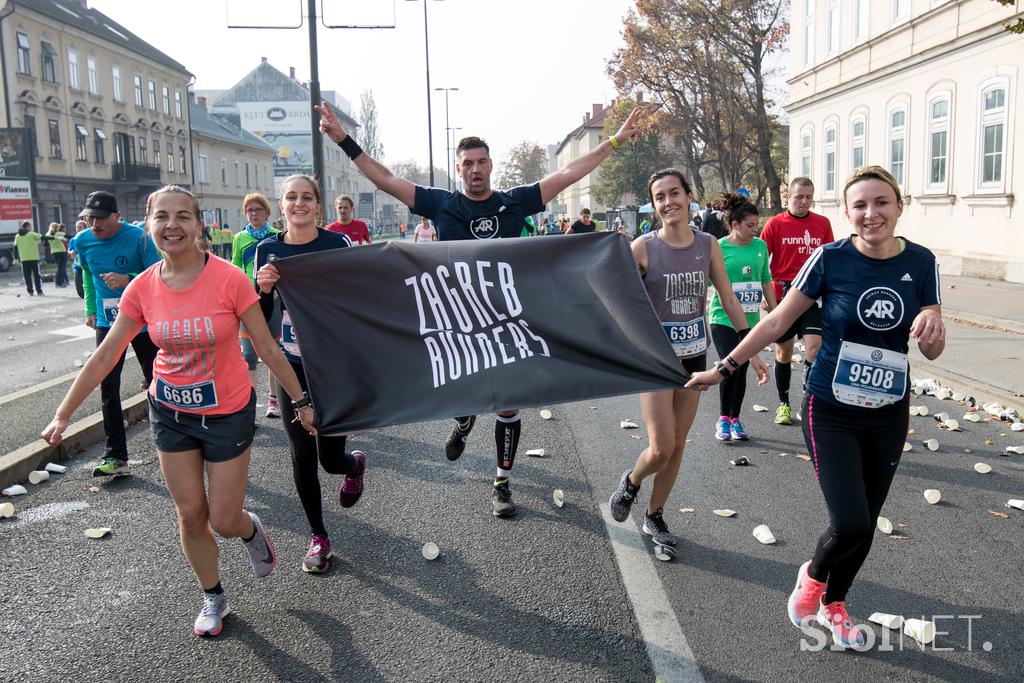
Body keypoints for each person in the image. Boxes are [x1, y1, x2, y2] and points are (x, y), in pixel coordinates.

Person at [317, 99, 642, 517]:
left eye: (482, 162)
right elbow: (387, 180)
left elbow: (565, 175)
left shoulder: (514, 202)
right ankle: (465, 420)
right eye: (468, 162)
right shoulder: (440, 205)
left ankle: (502, 483)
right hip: (460, 323)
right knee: (468, 393)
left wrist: (612, 141)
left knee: (509, 403)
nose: (475, 169)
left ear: (491, 166)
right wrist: (344, 140)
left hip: (509, 322)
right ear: (459, 169)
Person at [686, 166, 945, 649]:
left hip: (889, 410)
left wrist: (932, 320)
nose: (872, 213)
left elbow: (930, 350)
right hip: (830, 407)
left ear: (899, 206)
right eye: (861, 205)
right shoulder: (830, 259)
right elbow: (778, 320)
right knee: (849, 521)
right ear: (847, 213)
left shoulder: (923, 262)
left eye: (881, 202)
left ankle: (836, 604)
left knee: (866, 520)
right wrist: (725, 368)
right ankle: (813, 577)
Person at [42, 185, 317, 638]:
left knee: (223, 519)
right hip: (170, 410)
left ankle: (250, 532)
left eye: (183, 217)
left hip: (227, 409)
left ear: (199, 224)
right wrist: (64, 412)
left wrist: (301, 402)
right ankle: (213, 596)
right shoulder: (142, 288)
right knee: (191, 514)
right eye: (162, 217)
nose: (173, 226)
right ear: (149, 226)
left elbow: (266, 347)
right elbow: (107, 353)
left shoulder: (229, 279)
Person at [608, 169, 768, 546]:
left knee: (678, 445)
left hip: (695, 357)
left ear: (689, 196)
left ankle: (655, 515)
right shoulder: (643, 248)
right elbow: (616, 300)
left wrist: (752, 350)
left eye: (674, 193)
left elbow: (728, 299)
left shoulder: (708, 244)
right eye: (660, 196)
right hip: (655, 361)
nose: (668, 202)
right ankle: (631, 482)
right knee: (661, 446)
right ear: (654, 204)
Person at [254, 174, 367, 573]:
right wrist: (263, 289)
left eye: (306, 198)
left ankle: (354, 466)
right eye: (291, 198)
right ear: (280, 204)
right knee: (301, 454)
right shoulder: (267, 249)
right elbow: (263, 317)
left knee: (330, 459)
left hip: (332, 366)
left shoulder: (337, 244)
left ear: (318, 205)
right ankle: (319, 537)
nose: (298, 204)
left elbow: (359, 299)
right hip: (292, 365)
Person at [75, 191, 162, 477]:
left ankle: (172, 444)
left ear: (116, 216)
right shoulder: (83, 241)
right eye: (90, 218)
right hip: (108, 320)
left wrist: (129, 279)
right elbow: (87, 275)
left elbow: (159, 273)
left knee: (156, 382)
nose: (95, 224)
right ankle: (116, 455)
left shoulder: (139, 238)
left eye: (100, 218)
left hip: (143, 320)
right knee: (108, 386)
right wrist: (90, 308)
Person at [760, 177, 835, 426]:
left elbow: (830, 259)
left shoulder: (822, 224)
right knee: (784, 351)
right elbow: (761, 259)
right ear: (788, 197)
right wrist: (764, 291)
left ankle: (808, 399)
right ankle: (783, 403)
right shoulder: (774, 224)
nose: (804, 201)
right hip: (783, 294)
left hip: (812, 296)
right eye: (799, 197)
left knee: (814, 348)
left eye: (808, 197)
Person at [707, 193, 777, 442]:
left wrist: (775, 311)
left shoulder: (760, 246)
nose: (754, 230)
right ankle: (723, 419)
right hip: (722, 316)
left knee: (743, 366)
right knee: (730, 365)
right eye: (749, 226)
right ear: (734, 225)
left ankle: (735, 418)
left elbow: (766, 281)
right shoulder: (719, 247)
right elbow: (706, 282)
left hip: (751, 319)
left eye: (756, 225)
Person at [232, 193, 283, 418]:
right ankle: (250, 407)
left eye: (258, 210)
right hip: (247, 302)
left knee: (273, 351)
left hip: (272, 301)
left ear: (267, 213)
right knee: (248, 357)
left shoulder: (278, 236)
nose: (254, 214)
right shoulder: (239, 238)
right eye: (250, 210)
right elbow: (236, 267)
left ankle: (274, 400)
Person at [14, 221, 44, 296]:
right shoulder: (31, 234)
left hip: (24, 259)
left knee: (27, 276)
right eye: (30, 226)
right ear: (28, 226)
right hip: (33, 258)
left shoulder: (17, 236)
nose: (31, 227)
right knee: (37, 275)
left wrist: (15, 258)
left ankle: (30, 291)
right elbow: (42, 237)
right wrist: (54, 238)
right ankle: (39, 291)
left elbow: (15, 247)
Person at [48, 223, 69, 287]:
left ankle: (57, 282)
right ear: (57, 228)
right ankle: (61, 282)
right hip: (62, 251)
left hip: (54, 252)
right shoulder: (58, 233)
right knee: (62, 267)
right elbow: (67, 235)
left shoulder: (48, 234)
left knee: (59, 267)